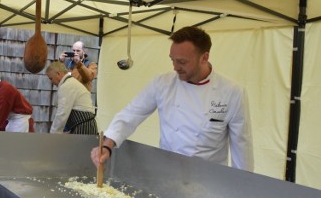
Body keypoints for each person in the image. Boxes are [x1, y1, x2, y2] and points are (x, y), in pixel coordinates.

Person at [91, 26, 254, 171]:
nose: (175, 67)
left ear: (204, 57)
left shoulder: (233, 93)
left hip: (209, 181)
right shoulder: (162, 83)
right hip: (167, 173)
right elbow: (130, 114)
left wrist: (243, 189)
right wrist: (107, 145)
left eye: (182, 61)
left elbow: (242, 149)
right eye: (172, 60)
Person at [46, 61, 98, 135]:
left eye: (51, 78)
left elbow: (62, 113)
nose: (51, 82)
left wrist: (54, 135)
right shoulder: (70, 82)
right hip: (84, 125)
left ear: (58, 73)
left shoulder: (67, 85)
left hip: (83, 127)